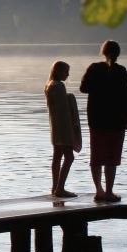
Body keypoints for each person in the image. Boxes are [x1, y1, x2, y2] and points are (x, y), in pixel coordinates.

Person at [80, 40, 127, 202]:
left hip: (96, 118)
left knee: (96, 156)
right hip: (116, 119)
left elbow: (83, 88)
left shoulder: (94, 68)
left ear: (103, 52)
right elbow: (125, 95)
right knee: (112, 156)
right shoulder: (121, 71)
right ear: (118, 53)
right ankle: (109, 192)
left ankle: (99, 191)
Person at [44, 60, 81, 197]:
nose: (68, 74)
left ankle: (54, 187)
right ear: (58, 71)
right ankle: (60, 188)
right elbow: (64, 112)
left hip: (55, 128)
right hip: (63, 128)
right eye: (66, 71)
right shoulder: (59, 86)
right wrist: (73, 130)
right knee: (69, 157)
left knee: (57, 157)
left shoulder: (48, 85)